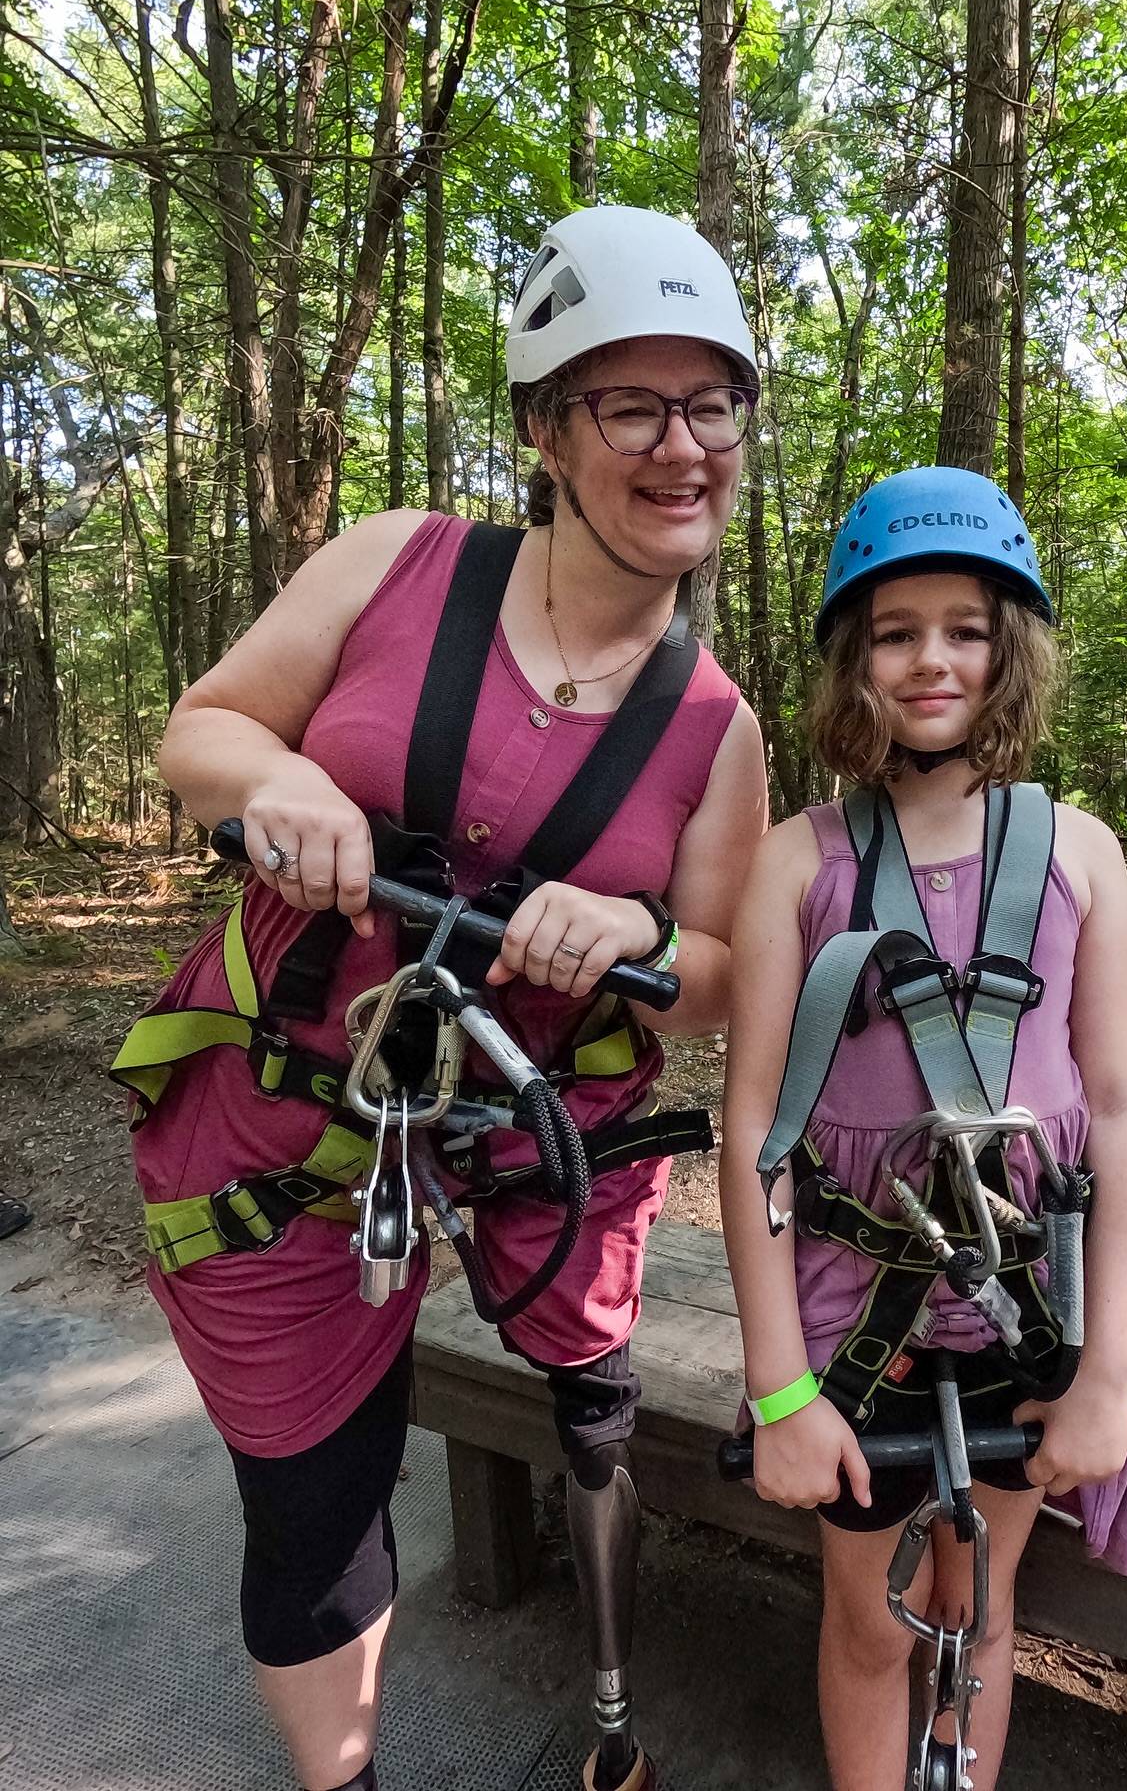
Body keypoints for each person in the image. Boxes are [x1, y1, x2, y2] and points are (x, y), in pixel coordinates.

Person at [110, 206, 768, 1791]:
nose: (684, 447)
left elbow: (724, 972)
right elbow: (200, 730)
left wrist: (624, 925)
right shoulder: (398, 564)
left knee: (590, 1377)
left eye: (713, 405)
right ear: (546, 427)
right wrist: (278, 779)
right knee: (313, 1504)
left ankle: (609, 1681)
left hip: (545, 1129)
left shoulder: (714, 726)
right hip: (287, 1135)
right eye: (633, 405)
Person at [719, 466, 1127, 1791]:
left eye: (965, 629)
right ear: (857, 661)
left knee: (978, 1606)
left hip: (1033, 1310)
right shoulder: (799, 861)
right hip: (855, 1321)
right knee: (868, 1620)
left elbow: (1124, 1106)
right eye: (898, 631)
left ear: (1007, 647)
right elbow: (754, 1128)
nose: (932, 660)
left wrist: (1110, 1374)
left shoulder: (1079, 853)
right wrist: (781, 1388)